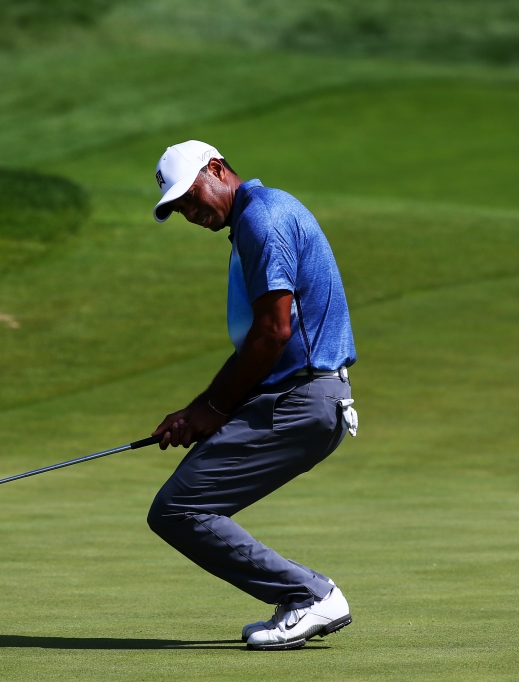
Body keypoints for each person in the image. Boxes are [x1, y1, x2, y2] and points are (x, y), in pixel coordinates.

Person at [146, 140, 359, 651]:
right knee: (179, 508)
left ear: (217, 169)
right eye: (178, 209)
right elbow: (255, 347)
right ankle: (304, 597)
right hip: (295, 397)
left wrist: (213, 409)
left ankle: (310, 596)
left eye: (191, 197)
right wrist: (200, 410)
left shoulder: (262, 219)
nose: (190, 213)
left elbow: (273, 333)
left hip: (303, 398)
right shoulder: (253, 221)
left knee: (179, 510)